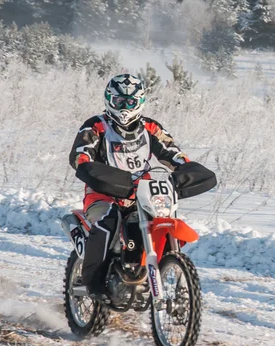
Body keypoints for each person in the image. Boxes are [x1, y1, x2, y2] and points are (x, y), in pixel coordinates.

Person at [68, 74, 190, 297]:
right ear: (109, 100)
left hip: (141, 192)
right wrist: (87, 167)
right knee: (109, 221)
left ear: (140, 102)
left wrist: (186, 168)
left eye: (130, 102)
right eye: (120, 102)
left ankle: (161, 268)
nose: (125, 108)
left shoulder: (150, 128)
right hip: (102, 192)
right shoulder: (95, 126)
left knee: (162, 219)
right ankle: (93, 284)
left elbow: (172, 152)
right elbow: (80, 155)